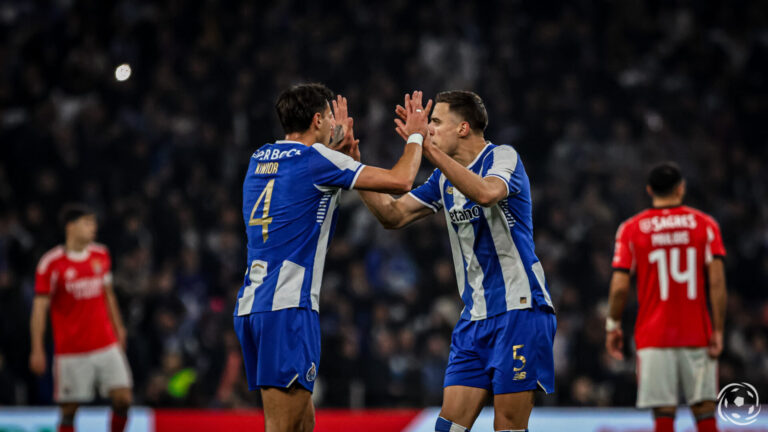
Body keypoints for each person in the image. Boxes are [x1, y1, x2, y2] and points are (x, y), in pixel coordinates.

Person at [233, 83, 431, 432]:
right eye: (327, 119)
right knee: (281, 427)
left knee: (303, 421)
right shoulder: (317, 160)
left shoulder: (259, 158)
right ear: (318, 119)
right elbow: (401, 182)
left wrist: (340, 155)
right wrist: (415, 136)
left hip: (254, 305)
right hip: (288, 308)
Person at [355, 90, 556, 432]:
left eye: (435, 122)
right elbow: (393, 215)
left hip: (519, 310)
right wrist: (355, 171)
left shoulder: (503, 156)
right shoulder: (443, 178)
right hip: (474, 317)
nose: (428, 129)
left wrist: (426, 148)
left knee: (508, 426)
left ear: (463, 128)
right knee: (448, 428)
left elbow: (488, 193)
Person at [606, 162, 727, 432]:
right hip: (697, 332)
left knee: (663, 414)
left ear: (649, 190)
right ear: (681, 188)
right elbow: (717, 283)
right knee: (706, 413)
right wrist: (718, 329)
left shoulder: (631, 229)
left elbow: (619, 287)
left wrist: (613, 325)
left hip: (654, 335)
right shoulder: (705, 225)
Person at [29, 204, 132, 432]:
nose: (93, 228)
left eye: (93, 223)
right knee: (69, 410)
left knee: (124, 398)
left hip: (105, 343)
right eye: (87, 223)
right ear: (71, 227)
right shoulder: (51, 263)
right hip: (71, 350)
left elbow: (109, 296)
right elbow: (39, 310)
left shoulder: (101, 254)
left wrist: (119, 329)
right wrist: (37, 348)